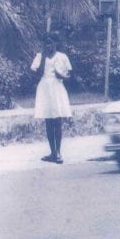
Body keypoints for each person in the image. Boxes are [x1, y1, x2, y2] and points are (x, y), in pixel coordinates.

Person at [31, 33, 72, 163]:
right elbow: (36, 74)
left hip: (57, 88)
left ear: (56, 43)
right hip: (44, 88)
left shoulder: (62, 57)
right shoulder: (39, 56)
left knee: (57, 120)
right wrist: (43, 57)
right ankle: (52, 152)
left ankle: (59, 152)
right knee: (48, 120)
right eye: (46, 43)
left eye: (51, 43)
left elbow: (70, 75)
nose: (49, 45)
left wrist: (62, 76)